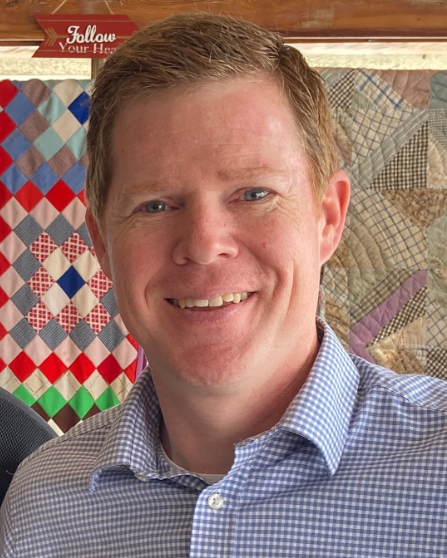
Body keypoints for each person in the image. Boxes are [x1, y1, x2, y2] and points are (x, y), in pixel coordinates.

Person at [1, 12, 447, 558]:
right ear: (102, 244)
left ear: (328, 218)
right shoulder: (40, 506)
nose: (204, 244)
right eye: (155, 205)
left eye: (254, 194)